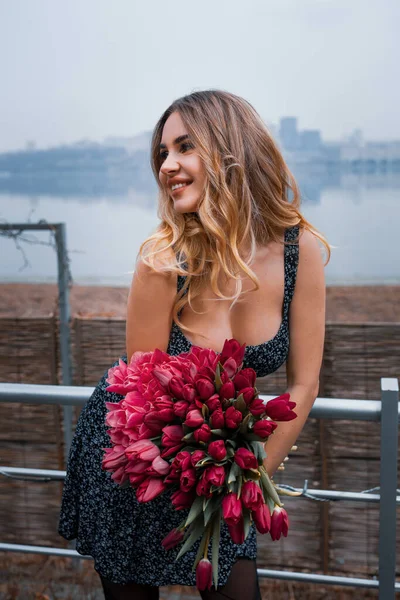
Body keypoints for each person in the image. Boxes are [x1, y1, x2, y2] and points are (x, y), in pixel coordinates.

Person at [58, 89, 329, 600]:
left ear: (231, 151)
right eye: (163, 153)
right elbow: (140, 392)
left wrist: (249, 484)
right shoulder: (163, 257)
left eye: (185, 148)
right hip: (135, 457)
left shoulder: (298, 250)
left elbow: (304, 382)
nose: (167, 165)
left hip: (220, 465)